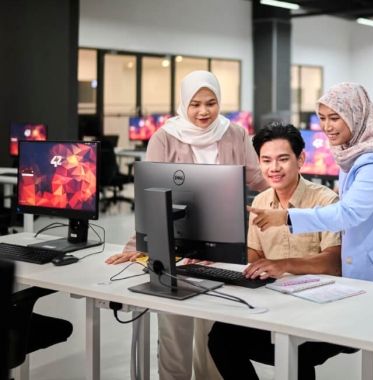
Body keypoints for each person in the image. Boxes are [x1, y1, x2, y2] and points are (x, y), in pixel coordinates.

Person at [247, 82, 373, 380]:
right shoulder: (354, 150)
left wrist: (286, 217)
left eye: (336, 117)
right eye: (323, 117)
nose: (328, 126)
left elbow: (351, 212)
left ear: (357, 115)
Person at [105, 70, 268, 380]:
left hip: (221, 246)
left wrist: (296, 191)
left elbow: (256, 177)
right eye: (195, 104)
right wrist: (137, 246)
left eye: (211, 103)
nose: (204, 111)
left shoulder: (236, 134)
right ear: (183, 103)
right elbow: (150, 195)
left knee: (214, 335)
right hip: (175, 247)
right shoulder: (165, 137)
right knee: (175, 334)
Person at [208, 123, 346, 379]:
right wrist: (219, 260)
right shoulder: (261, 201)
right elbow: (255, 254)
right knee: (220, 338)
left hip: (319, 311)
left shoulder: (326, 201)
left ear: (300, 159)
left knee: (293, 349)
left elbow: (333, 262)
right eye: (266, 160)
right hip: (275, 305)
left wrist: (282, 264)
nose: (274, 168)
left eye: (283, 159)